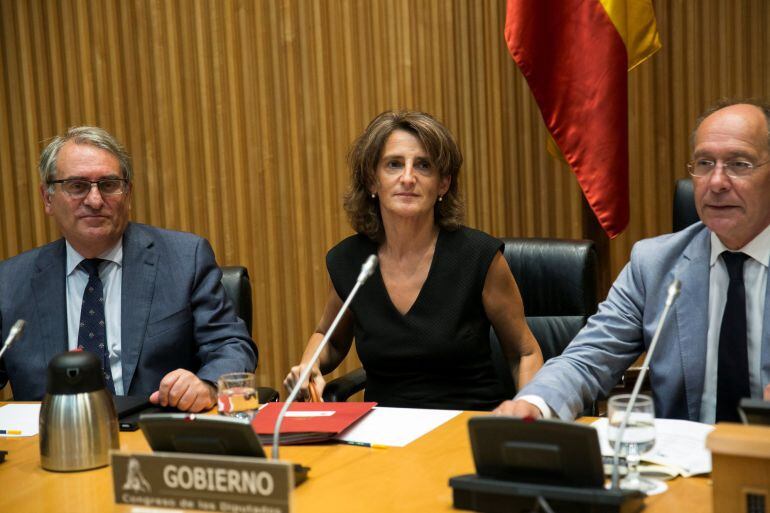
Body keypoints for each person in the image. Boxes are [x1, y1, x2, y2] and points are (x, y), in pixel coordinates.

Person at [496, 99, 770, 423]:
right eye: (705, 163)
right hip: (683, 466)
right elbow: (588, 358)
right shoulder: (654, 264)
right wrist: (535, 403)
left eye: (739, 164)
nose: (717, 182)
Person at [284, 111, 543, 410]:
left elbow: (524, 352)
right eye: (394, 164)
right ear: (372, 180)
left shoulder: (478, 257)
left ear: (443, 184)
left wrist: (527, 413)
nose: (408, 178)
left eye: (423, 165)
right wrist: (309, 366)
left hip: (465, 426)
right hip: (385, 434)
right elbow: (329, 339)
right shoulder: (352, 261)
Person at [0, 126, 257, 412]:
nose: (95, 200)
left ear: (128, 194)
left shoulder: (184, 260)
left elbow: (231, 345)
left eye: (109, 185)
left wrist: (207, 385)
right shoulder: (9, 283)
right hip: (51, 442)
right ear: (48, 198)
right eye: (77, 186)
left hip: (155, 433)